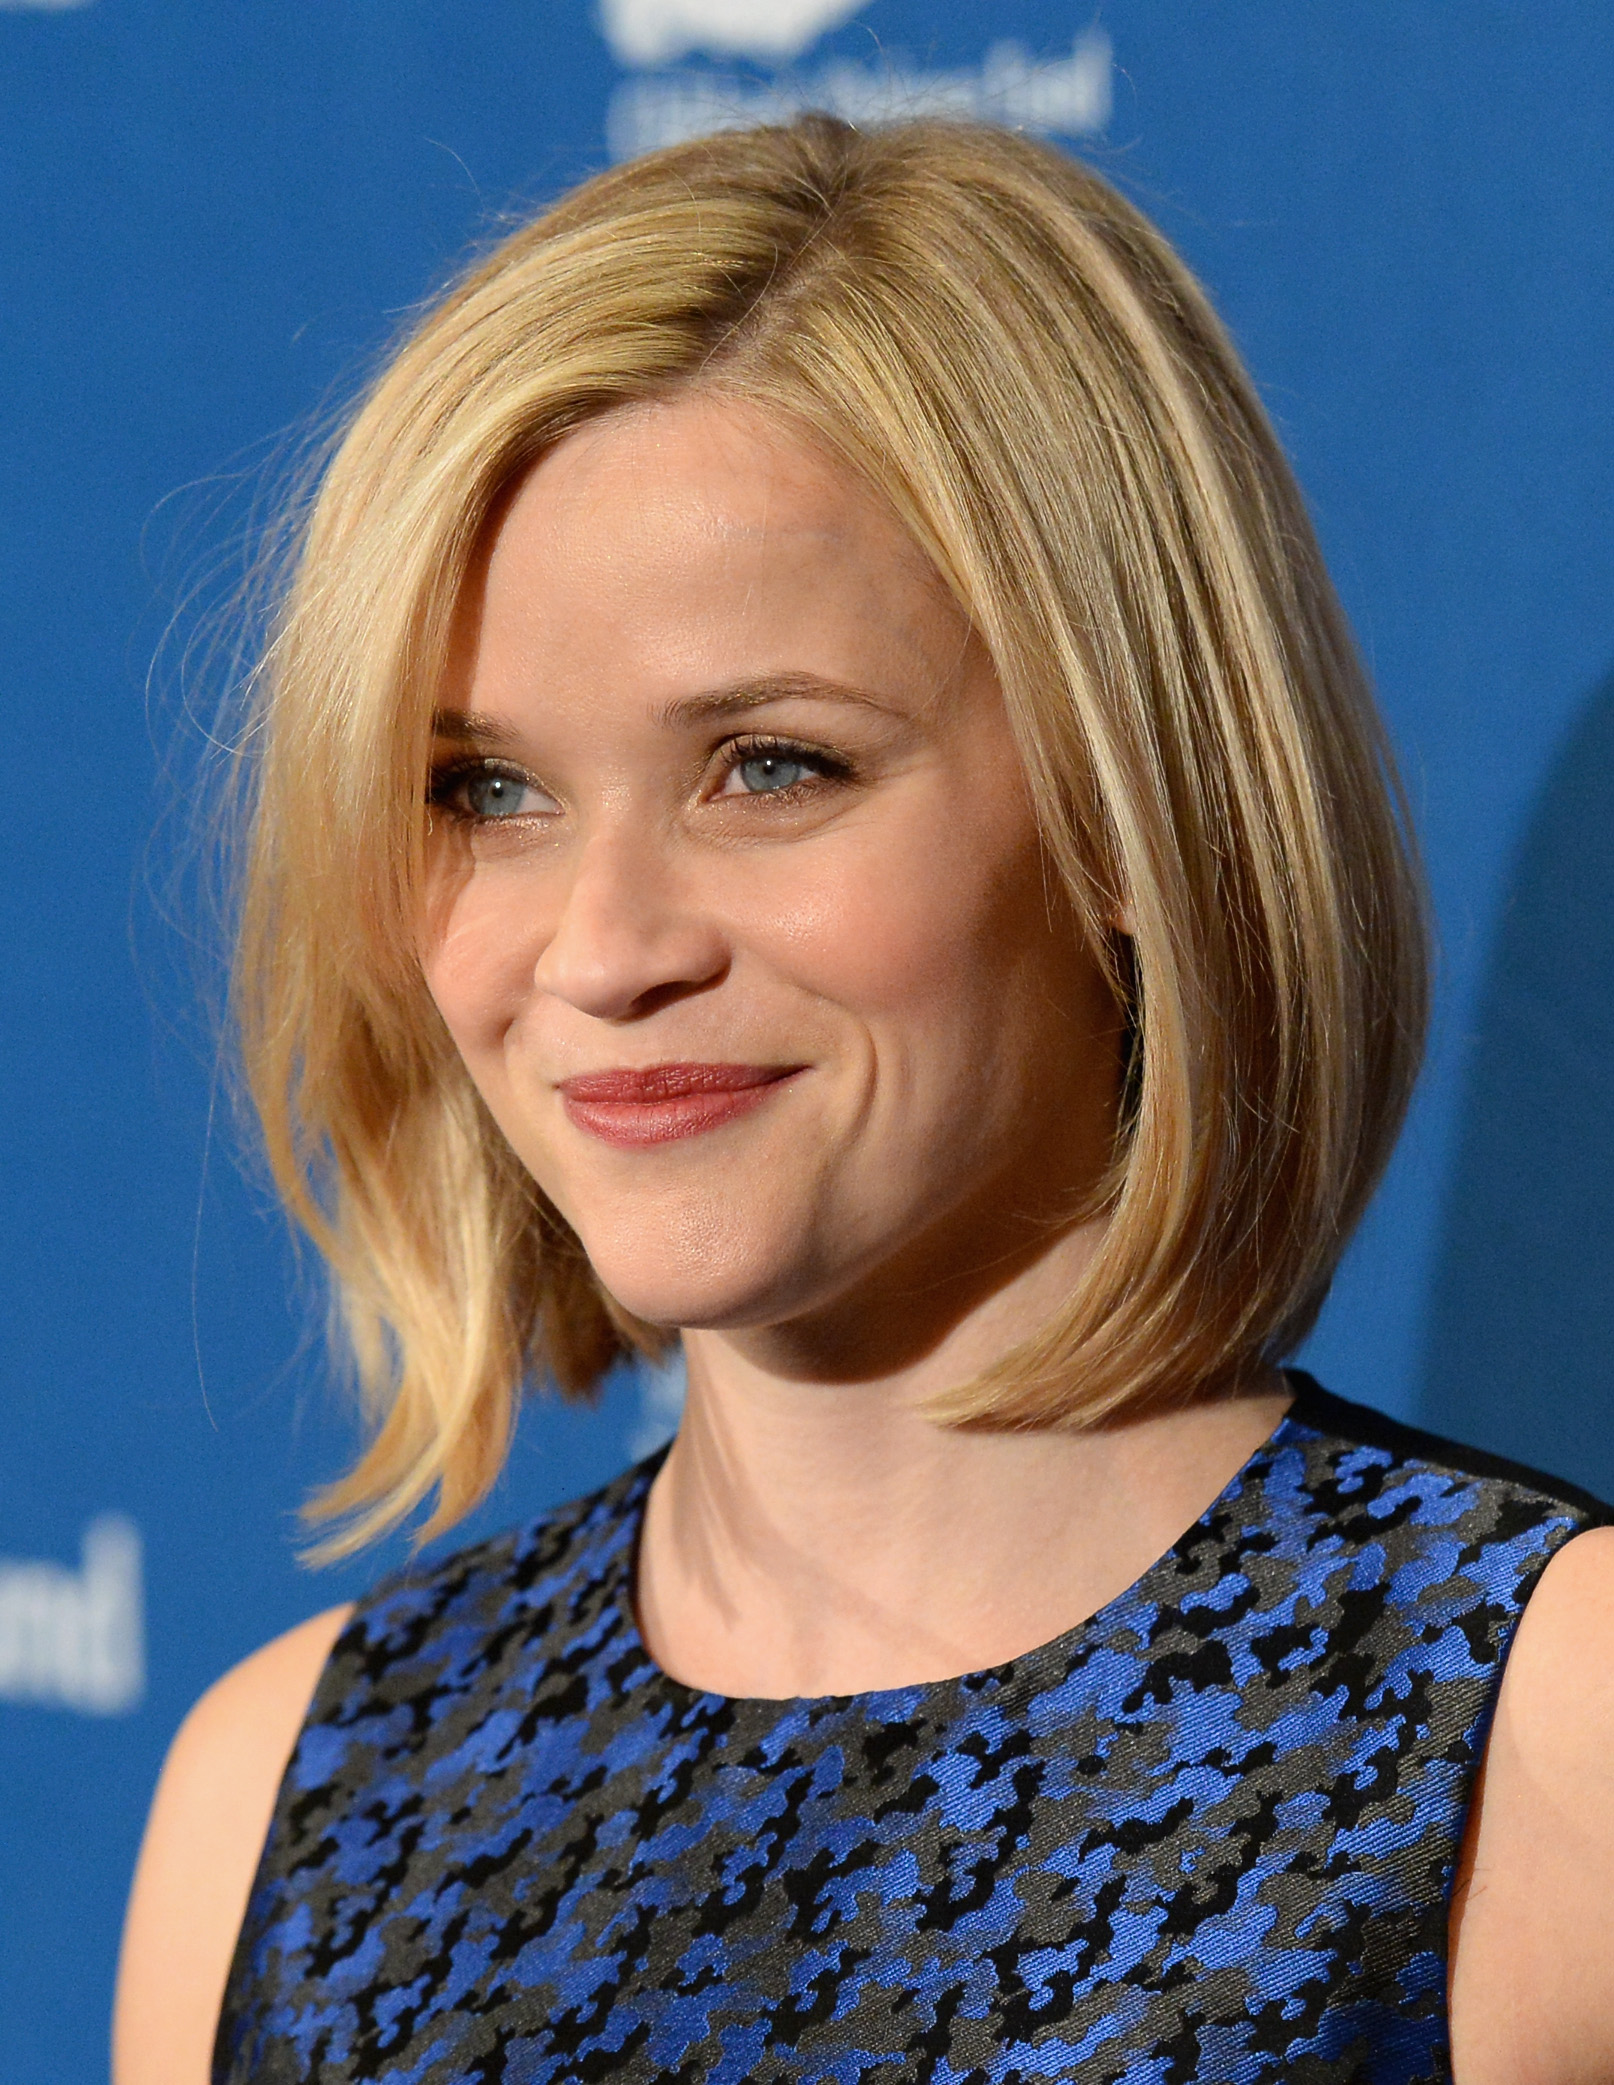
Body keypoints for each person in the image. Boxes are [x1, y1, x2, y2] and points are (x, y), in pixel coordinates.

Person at [113, 115, 1614, 2085]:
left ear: (1125, 803)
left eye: (771, 766)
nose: (599, 948)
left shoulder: (1549, 1743)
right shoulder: (291, 1803)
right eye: (486, 790)